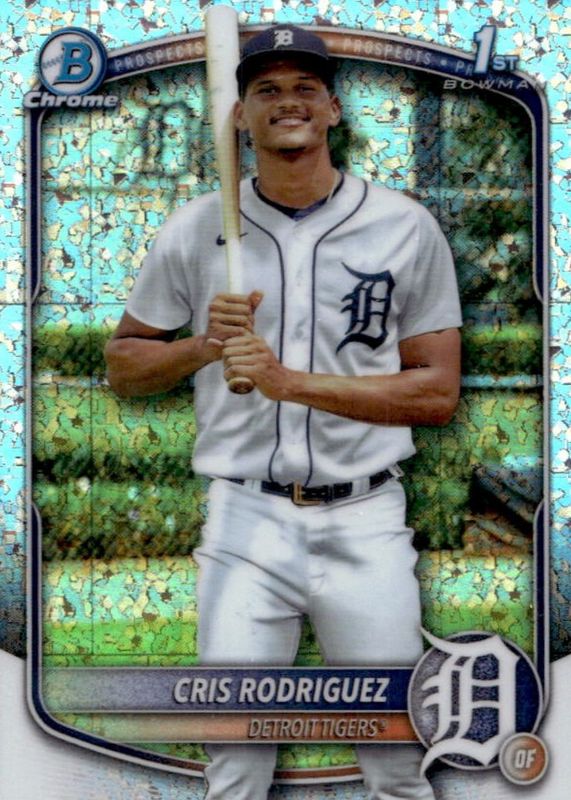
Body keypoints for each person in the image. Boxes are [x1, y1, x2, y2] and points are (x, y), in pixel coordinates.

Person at [105, 23, 462, 800]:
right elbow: (125, 366)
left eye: (305, 87)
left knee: (397, 759)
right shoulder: (196, 227)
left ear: (333, 109)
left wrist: (286, 381)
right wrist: (203, 347)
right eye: (266, 89)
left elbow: (435, 393)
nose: (287, 101)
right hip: (244, 523)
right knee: (235, 760)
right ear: (238, 116)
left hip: (365, 521)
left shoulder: (404, 225)